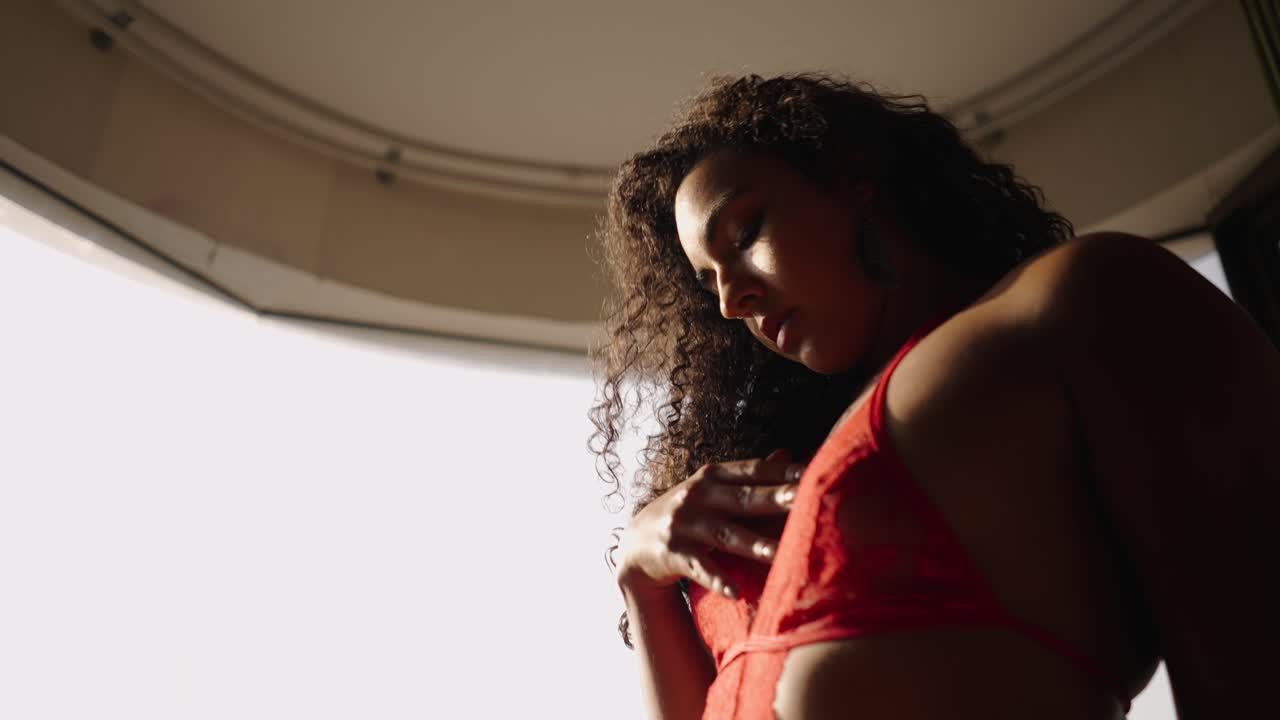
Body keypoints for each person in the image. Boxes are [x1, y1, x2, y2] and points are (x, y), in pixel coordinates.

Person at [589, 74, 1280, 719]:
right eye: (711, 286)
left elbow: (1249, 651)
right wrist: (642, 585)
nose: (734, 300)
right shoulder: (797, 452)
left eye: (745, 234)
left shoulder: (1080, 298)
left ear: (849, 174)